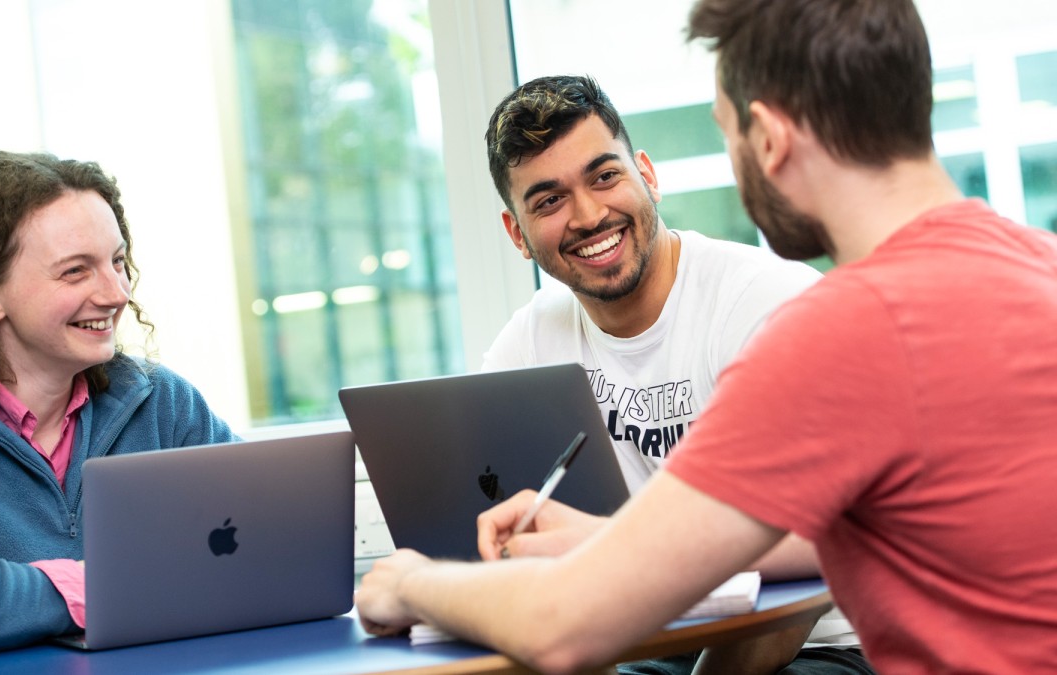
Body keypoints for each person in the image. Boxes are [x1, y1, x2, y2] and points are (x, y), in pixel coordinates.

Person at [355, 0, 1057, 673]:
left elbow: (565, 622)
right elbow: (792, 540)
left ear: (770, 138)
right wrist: (597, 541)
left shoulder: (839, 332)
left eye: (724, 130)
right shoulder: (1038, 265)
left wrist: (412, 582)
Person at [480, 74, 867, 674]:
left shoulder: (766, 304)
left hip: (832, 643)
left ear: (647, 176)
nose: (588, 215)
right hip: (661, 646)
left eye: (604, 176)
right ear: (518, 235)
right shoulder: (529, 343)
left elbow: (814, 559)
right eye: (549, 200)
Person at [0, 151, 239, 674]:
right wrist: (120, 581)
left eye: (117, 261)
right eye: (76, 271)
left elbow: (258, 543)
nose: (117, 292)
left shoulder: (163, 402)